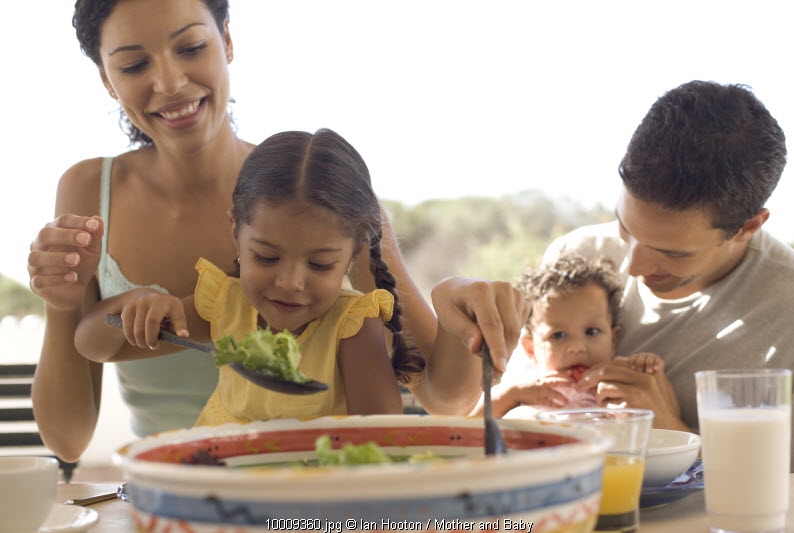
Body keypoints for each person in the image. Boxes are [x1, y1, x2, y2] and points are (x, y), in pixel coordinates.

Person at [27, 0, 528, 463]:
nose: (171, 81)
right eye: (135, 64)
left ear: (226, 40)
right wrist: (62, 302)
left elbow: (442, 398)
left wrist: (453, 298)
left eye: (192, 47)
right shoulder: (90, 190)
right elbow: (67, 441)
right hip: (172, 491)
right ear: (106, 79)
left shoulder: (314, 195)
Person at [530, 80, 794, 471]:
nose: (631, 268)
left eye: (672, 253)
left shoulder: (792, 314)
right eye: (625, 227)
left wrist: (674, 434)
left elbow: (787, 491)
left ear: (748, 226)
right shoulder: (576, 260)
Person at [75, 128, 424, 423]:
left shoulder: (352, 325)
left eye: (319, 265)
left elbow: (381, 437)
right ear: (235, 233)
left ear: (354, 254)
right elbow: (90, 345)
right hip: (219, 488)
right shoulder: (226, 306)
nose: (289, 282)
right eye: (266, 257)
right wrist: (131, 304)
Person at [471, 253, 667, 419]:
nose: (577, 347)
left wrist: (646, 366)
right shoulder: (527, 383)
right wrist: (510, 395)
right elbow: (468, 424)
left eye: (592, 332)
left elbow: (664, 412)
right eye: (558, 335)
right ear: (531, 348)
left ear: (613, 339)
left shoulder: (621, 374)